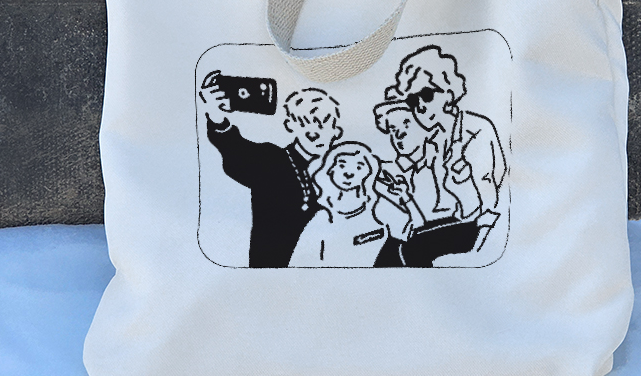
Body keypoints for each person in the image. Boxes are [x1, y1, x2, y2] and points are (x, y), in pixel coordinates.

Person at [372, 45, 506, 267]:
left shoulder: (475, 129)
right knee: (392, 249)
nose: (420, 106)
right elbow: (402, 167)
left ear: (448, 91)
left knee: (412, 248)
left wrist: (462, 179)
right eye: (413, 100)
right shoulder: (433, 139)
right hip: (449, 221)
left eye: (427, 95)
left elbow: (487, 195)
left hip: (477, 221)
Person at [200, 78, 342, 268]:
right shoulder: (272, 159)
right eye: (305, 123)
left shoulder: (331, 173)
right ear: (291, 125)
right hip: (268, 272)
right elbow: (235, 149)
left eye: (323, 124)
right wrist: (217, 118)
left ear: (336, 132)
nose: (314, 132)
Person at [289, 142, 417, 267]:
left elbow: (416, 235)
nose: (349, 173)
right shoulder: (322, 217)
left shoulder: (377, 207)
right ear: (330, 169)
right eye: (342, 165)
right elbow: (298, 265)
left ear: (368, 173)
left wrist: (405, 197)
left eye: (359, 167)